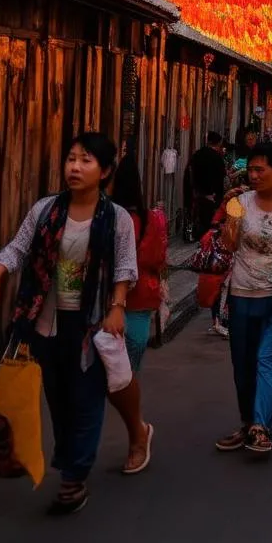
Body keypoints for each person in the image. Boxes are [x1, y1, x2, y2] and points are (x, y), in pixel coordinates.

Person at [0, 132, 138, 514]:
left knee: (85, 399)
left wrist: (117, 306)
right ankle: (69, 460)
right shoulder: (46, 210)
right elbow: (19, 246)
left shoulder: (116, 218)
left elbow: (123, 265)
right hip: (45, 320)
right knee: (58, 398)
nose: (75, 167)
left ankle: (74, 476)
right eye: (71, 159)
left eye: (86, 160)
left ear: (105, 171)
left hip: (88, 323)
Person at [214, 142, 272, 455]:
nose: (252, 175)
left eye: (259, 169)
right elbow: (228, 245)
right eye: (250, 169)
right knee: (242, 363)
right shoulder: (240, 202)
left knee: (267, 358)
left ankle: (260, 425)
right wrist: (231, 213)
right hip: (241, 291)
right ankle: (247, 422)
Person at [109, 155, 167, 474]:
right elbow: (159, 258)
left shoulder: (113, 219)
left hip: (112, 302)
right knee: (128, 373)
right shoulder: (155, 218)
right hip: (143, 296)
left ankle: (137, 434)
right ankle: (136, 433)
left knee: (116, 375)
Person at [188, 131, 227, 240]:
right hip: (213, 195)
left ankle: (200, 241)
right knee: (212, 222)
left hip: (199, 193)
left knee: (201, 220)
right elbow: (220, 177)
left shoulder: (197, 154)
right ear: (219, 143)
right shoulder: (217, 158)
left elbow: (191, 173)